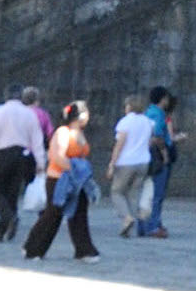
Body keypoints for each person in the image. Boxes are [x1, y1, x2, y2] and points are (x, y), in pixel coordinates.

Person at [24, 102, 100, 262]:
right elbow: (57, 156)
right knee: (53, 214)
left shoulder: (79, 133)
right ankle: (33, 248)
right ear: (81, 116)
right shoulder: (62, 132)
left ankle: (84, 250)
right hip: (59, 179)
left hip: (77, 181)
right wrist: (76, 170)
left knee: (79, 213)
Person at [0, 87, 46, 243]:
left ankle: (8, 218)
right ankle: (0, 230)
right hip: (22, 155)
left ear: (6, 96)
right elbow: (37, 139)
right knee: (12, 192)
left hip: (2, 153)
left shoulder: (1, 112)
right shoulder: (29, 114)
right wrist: (40, 162)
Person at [107, 97, 154, 237]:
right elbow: (150, 142)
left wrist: (112, 163)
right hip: (143, 162)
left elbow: (119, 144)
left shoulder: (126, 122)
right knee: (133, 194)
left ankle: (126, 218)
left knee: (117, 192)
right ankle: (130, 227)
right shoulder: (148, 122)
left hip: (126, 162)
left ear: (129, 106)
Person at [140, 86, 183, 237]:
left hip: (148, 155)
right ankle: (153, 225)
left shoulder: (148, 112)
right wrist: (165, 155)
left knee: (147, 192)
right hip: (158, 156)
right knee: (157, 193)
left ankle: (146, 224)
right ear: (163, 99)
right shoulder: (158, 114)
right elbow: (157, 135)